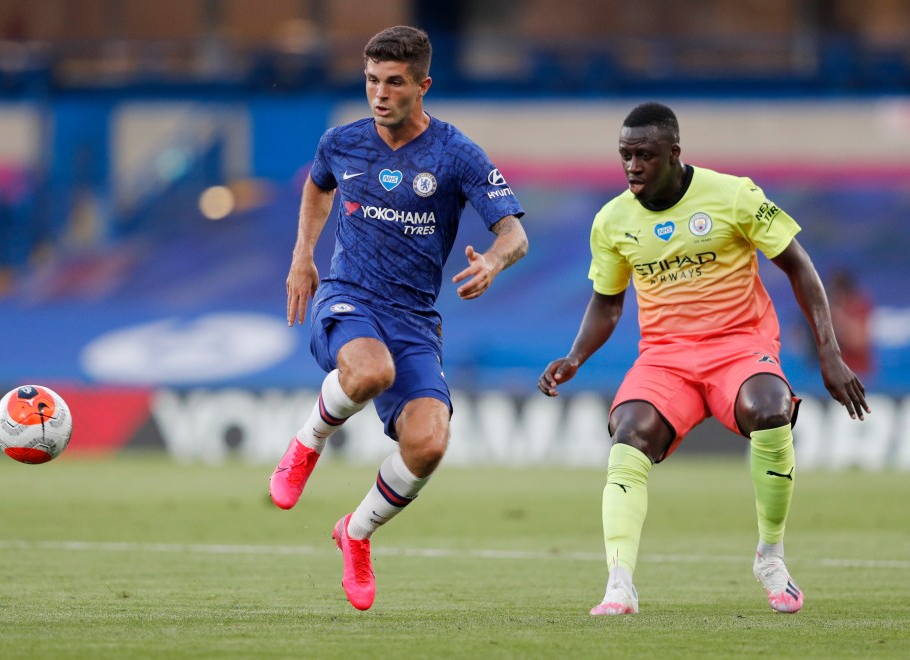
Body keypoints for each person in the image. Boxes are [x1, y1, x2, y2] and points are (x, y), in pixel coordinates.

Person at [538, 102, 869, 616]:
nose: (632, 167)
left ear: (674, 153)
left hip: (738, 346)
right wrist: (575, 356)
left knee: (770, 407)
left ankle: (770, 556)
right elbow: (608, 301)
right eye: (625, 155)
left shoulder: (734, 195)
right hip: (666, 359)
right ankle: (619, 584)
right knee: (629, 430)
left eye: (644, 155)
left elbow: (799, 267)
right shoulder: (612, 221)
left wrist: (830, 353)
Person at [270, 25, 528, 611]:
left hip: (414, 317)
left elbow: (514, 231)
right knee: (369, 372)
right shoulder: (342, 141)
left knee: (429, 444)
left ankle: (355, 533)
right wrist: (302, 258)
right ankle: (307, 444)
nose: (379, 94)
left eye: (393, 83)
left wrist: (492, 261)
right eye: (371, 81)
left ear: (423, 86)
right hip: (349, 296)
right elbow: (318, 189)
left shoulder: (457, 154)